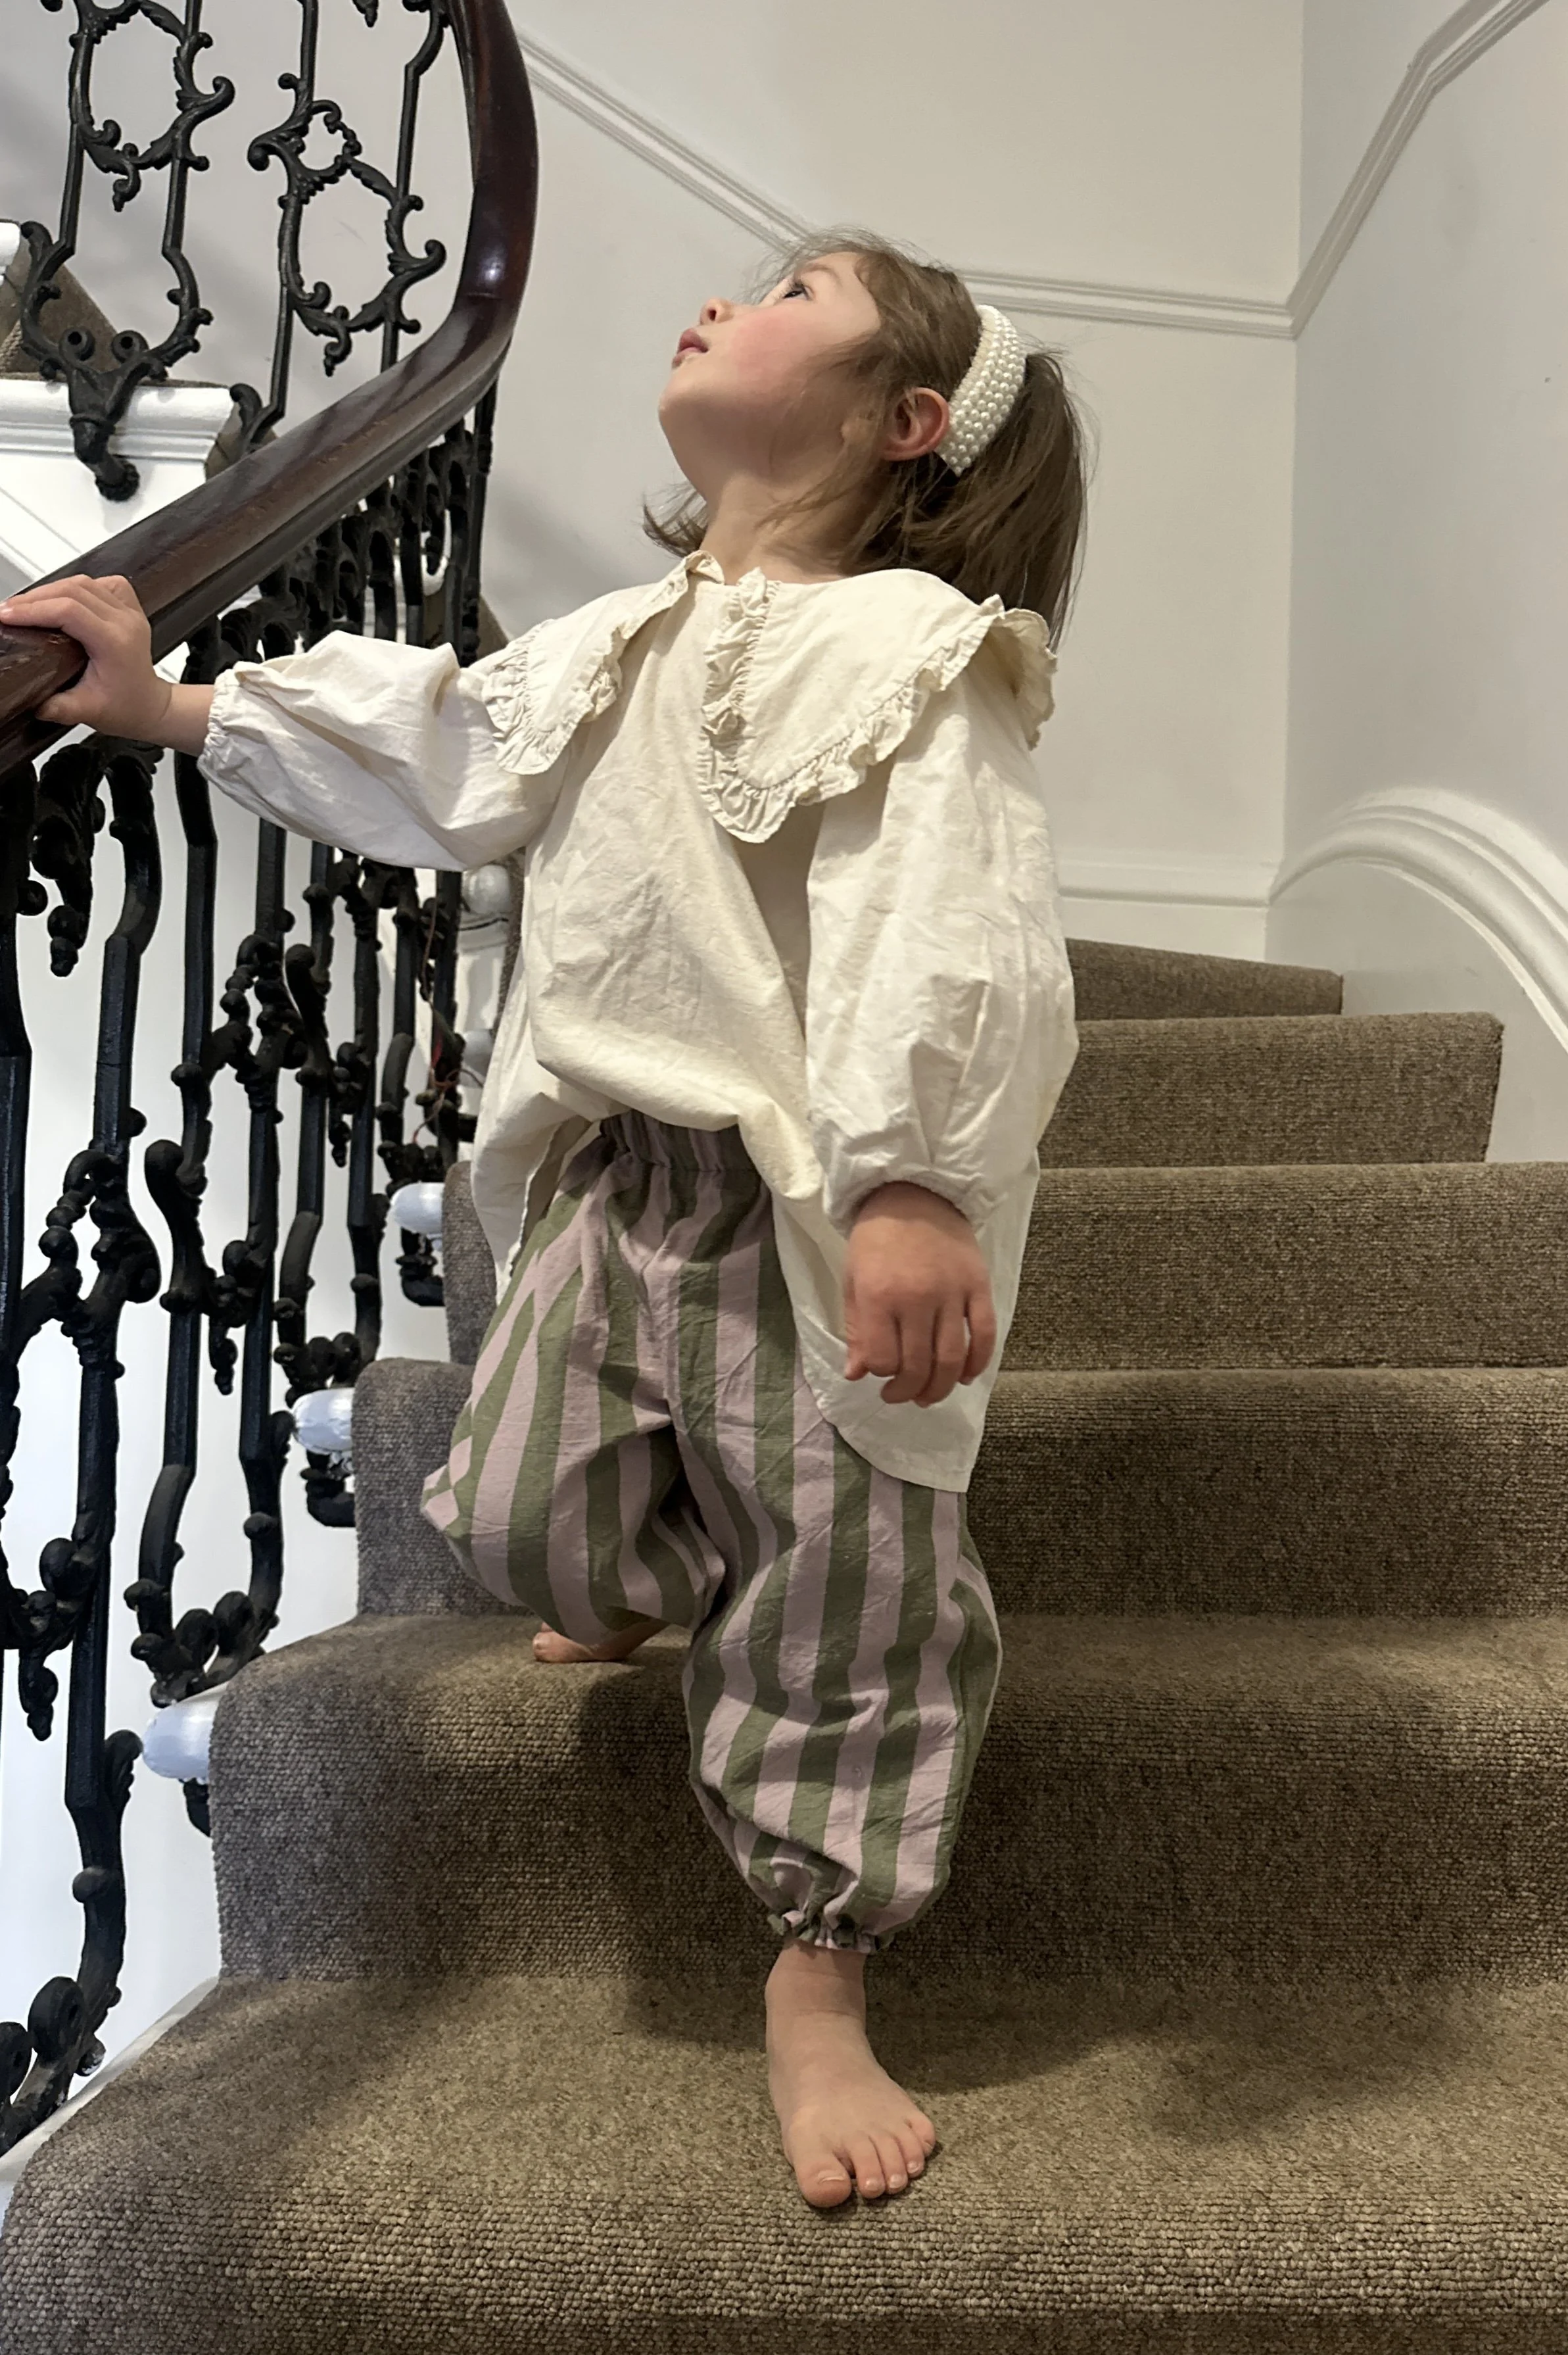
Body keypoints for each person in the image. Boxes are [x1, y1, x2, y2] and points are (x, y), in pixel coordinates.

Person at [0, 230, 1089, 2211]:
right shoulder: (606, 645)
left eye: (791, 295)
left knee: (850, 1569)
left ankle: (820, 1961)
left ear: (902, 420)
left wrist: (918, 1179)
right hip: (601, 1183)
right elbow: (432, 743)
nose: (720, 299)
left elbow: (959, 924)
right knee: (510, 1512)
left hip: (799, 1200)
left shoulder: (927, 653)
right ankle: (657, 1572)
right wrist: (176, 712)